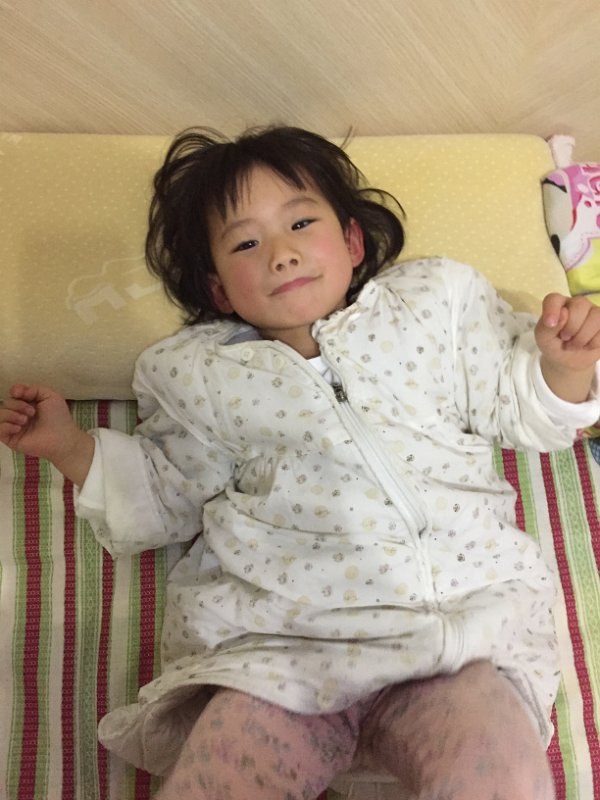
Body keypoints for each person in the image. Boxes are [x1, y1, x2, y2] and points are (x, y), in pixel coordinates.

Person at [2, 125, 600, 800]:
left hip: (458, 637)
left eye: (300, 223)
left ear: (352, 241)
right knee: (220, 777)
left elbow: (522, 408)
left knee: (499, 771)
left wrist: (564, 366)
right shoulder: (201, 376)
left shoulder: (434, 308)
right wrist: (69, 446)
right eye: (245, 244)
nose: (281, 254)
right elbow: (163, 493)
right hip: (282, 649)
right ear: (219, 290)